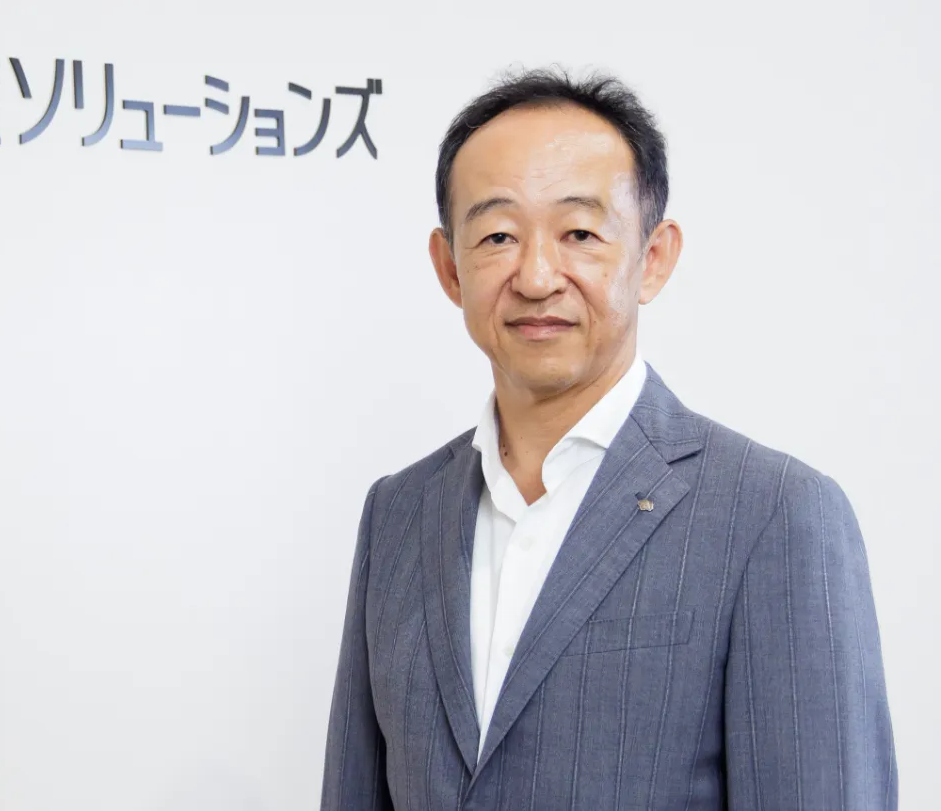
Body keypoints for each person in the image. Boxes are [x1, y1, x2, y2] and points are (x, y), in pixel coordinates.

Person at [318, 69, 897, 810]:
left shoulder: (775, 514)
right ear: (449, 267)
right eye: (497, 236)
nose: (536, 276)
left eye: (580, 234)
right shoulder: (398, 514)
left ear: (653, 259)